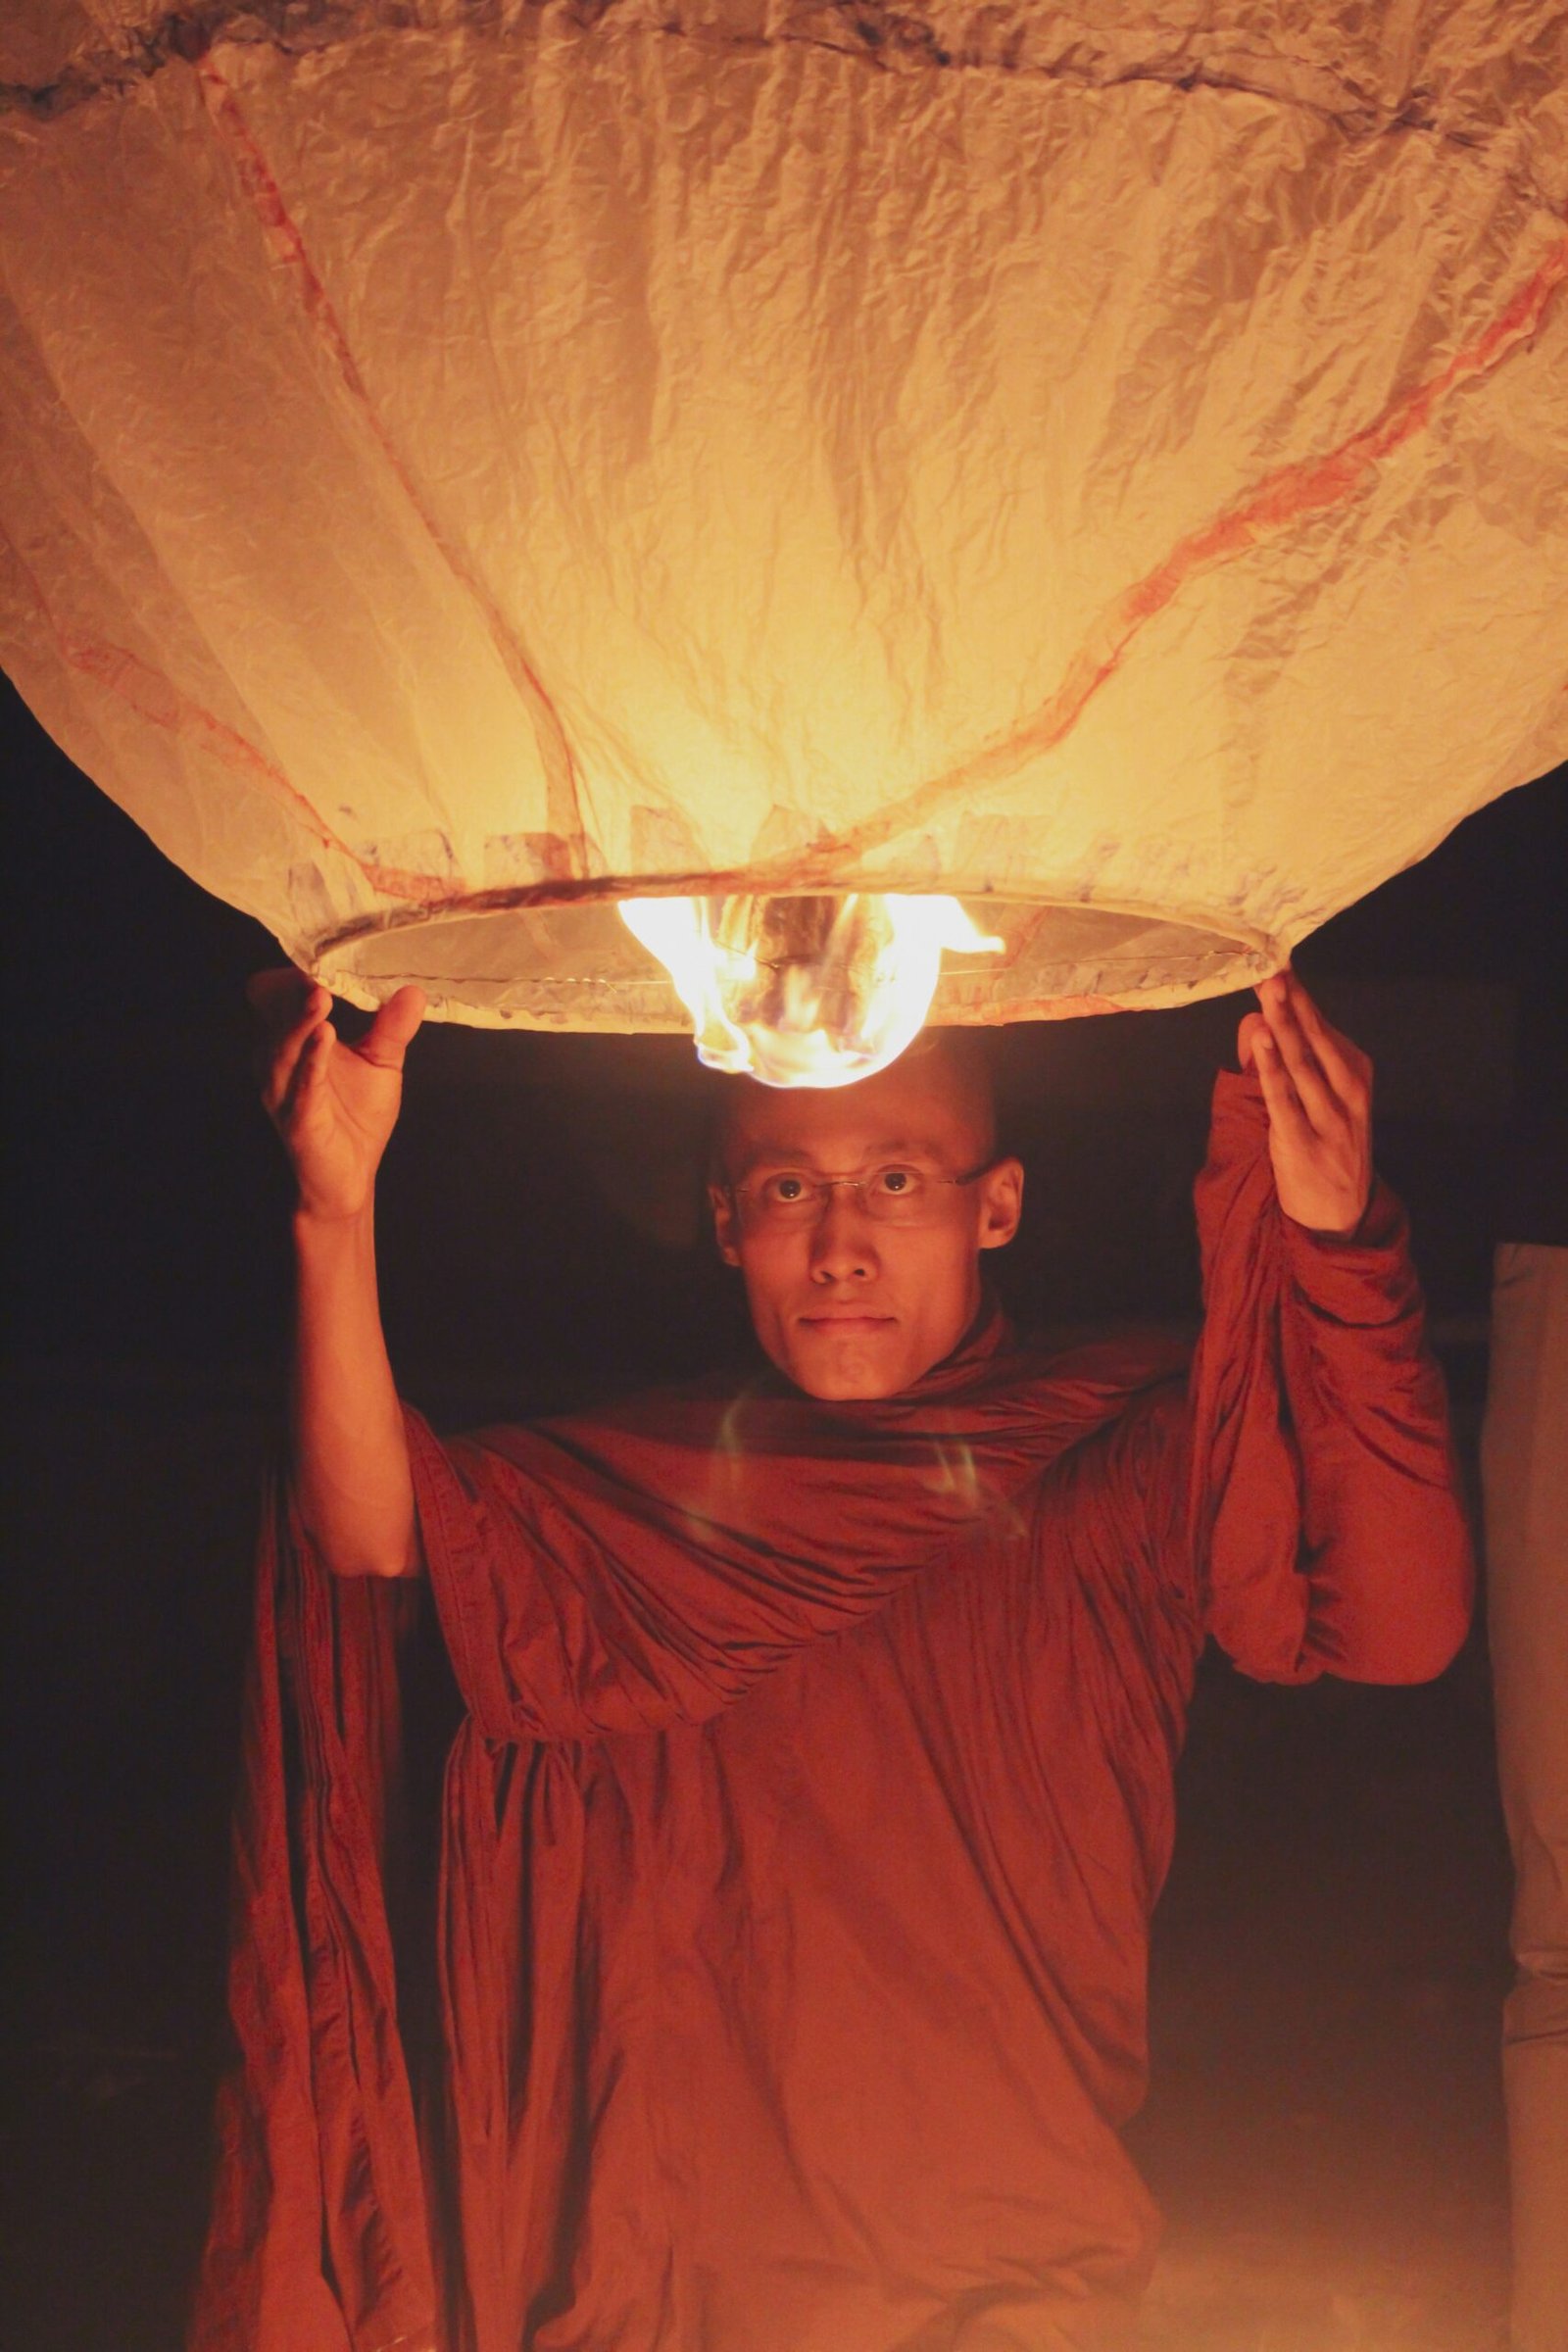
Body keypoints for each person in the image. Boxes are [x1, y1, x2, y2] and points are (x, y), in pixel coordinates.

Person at [193, 968, 1472, 2352]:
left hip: (1001, 2274)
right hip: (661, 2280)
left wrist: (1339, 1246)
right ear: (728, 1225)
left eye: (901, 1181)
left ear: (999, 1207)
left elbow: (1394, 1631)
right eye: (792, 1190)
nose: (843, 1245)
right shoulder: (655, 1495)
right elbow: (367, 1525)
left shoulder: (1109, 1458)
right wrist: (334, 1207)